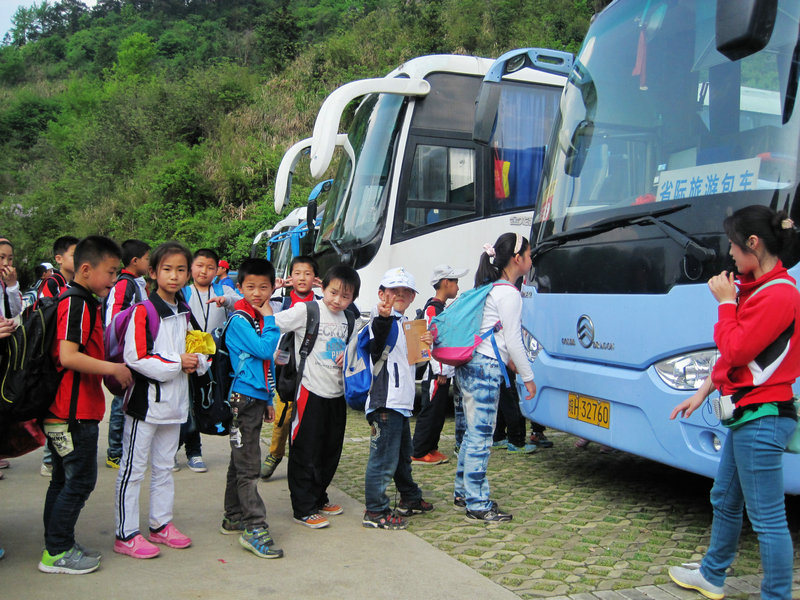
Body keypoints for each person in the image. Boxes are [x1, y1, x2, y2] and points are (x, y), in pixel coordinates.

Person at [668, 206, 800, 600]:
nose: (729, 254)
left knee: (768, 519)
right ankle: (712, 574)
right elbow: (734, 360)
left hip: (762, 419)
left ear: (753, 244)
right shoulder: (760, 289)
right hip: (749, 417)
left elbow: (735, 349)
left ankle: (776, 594)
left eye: (733, 245)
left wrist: (726, 303)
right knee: (724, 498)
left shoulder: (779, 294)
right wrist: (701, 393)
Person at [39, 236, 133, 575]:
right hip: (72, 413)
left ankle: (58, 543)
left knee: (63, 481)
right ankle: (57, 551)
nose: (114, 279)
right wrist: (114, 369)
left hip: (68, 410)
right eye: (111, 272)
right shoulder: (77, 302)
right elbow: (68, 356)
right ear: (86, 269)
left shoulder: (79, 299)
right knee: (78, 482)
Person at [113, 242, 209, 560]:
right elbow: (136, 357)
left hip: (175, 404)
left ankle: (161, 525)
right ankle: (126, 534)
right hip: (144, 405)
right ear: (153, 273)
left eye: (181, 270)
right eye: (167, 269)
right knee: (133, 468)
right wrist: (178, 362)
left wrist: (197, 361)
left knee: (165, 467)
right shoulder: (144, 311)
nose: (174, 276)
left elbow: (201, 347)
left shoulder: (185, 310)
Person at [454, 233, 536, 522]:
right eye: (528, 254)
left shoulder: (488, 288)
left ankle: (463, 492)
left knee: (471, 434)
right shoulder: (509, 293)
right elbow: (513, 341)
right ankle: (477, 503)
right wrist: (528, 377)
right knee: (481, 437)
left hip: (469, 365)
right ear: (517, 259)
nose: (530, 259)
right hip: (486, 369)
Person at [274, 264, 360, 529]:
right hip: (309, 391)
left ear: (353, 298)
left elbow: (358, 351)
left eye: (345, 296)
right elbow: (272, 324)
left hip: (337, 394)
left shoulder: (351, 320)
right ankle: (303, 508)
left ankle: (319, 497)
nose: (337, 300)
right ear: (322, 287)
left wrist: (350, 355)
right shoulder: (307, 310)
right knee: (305, 450)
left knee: (329, 450)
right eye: (333, 292)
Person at [220, 258, 283, 559]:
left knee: (240, 460)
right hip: (242, 400)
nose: (257, 293)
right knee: (249, 465)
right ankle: (254, 527)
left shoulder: (255, 318)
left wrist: (269, 399)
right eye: (250, 287)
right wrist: (270, 319)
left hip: (254, 398)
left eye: (264, 287)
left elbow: (264, 365)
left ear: (272, 288)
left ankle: (233, 516)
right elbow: (265, 350)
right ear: (239, 287)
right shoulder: (240, 320)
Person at [363, 267, 435, 529]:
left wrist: (427, 345)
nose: (400, 295)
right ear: (381, 293)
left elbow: (416, 366)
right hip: (385, 402)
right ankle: (375, 511)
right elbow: (376, 344)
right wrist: (383, 318)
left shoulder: (408, 325)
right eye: (394, 290)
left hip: (401, 403)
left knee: (403, 456)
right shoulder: (378, 320)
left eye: (406, 291)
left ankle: (409, 497)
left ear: (413, 296)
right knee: (383, 460)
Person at [176, 248, 239, 473]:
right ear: (191, 268)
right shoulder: (183, 292)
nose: (204, 271)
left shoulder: (223, 289)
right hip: (189, 357)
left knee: (207, 402)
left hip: (215, 360)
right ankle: (190, 451)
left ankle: (193, 449)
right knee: (187, 405)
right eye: (200, 266)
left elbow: (241, 303)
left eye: (210, 267)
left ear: (217, 270)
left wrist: (226, 300)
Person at [262, 255, 321, 480]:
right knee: (284, 415)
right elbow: (259, 313)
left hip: (314, 368)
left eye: (307, 273)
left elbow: (350, 312)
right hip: (287, 368)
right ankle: (275, 453)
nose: (302, 278)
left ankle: (305, 460)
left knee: (309, 417)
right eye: (297, 273)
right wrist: (272, 290)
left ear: (315, 278)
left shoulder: (322, 302)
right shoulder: (281, 301)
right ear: (290, 277)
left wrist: (327, 288)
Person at [411, 264, 468, 466]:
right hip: (436, 372)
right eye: (455, 282)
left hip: (442, 371)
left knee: (438, 411)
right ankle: (419, 451)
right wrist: (441, 370)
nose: (457, 287)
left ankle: (430, 447)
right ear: (445, 283)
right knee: (430, 410)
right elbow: (432, 341)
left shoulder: (441, 308)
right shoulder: (433, 309)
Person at [103, 239, 151, 470]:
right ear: (134, 261)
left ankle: (127, 448)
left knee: (129, 400)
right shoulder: (125, 285)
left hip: (133, 350)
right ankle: (115, 452)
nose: (149, 263)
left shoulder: (136, 283)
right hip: (123, 352)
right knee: (121, 401)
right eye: (147, 258)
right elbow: (115, 320)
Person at [38, 235, 79, 479]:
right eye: (74, 254)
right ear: (59, 259)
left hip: (63, 352)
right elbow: (45, 313)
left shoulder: (74, 284)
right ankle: (49, 460)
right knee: (55, 407)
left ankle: (56, 457)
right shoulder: (53, 282)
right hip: (53, 354)